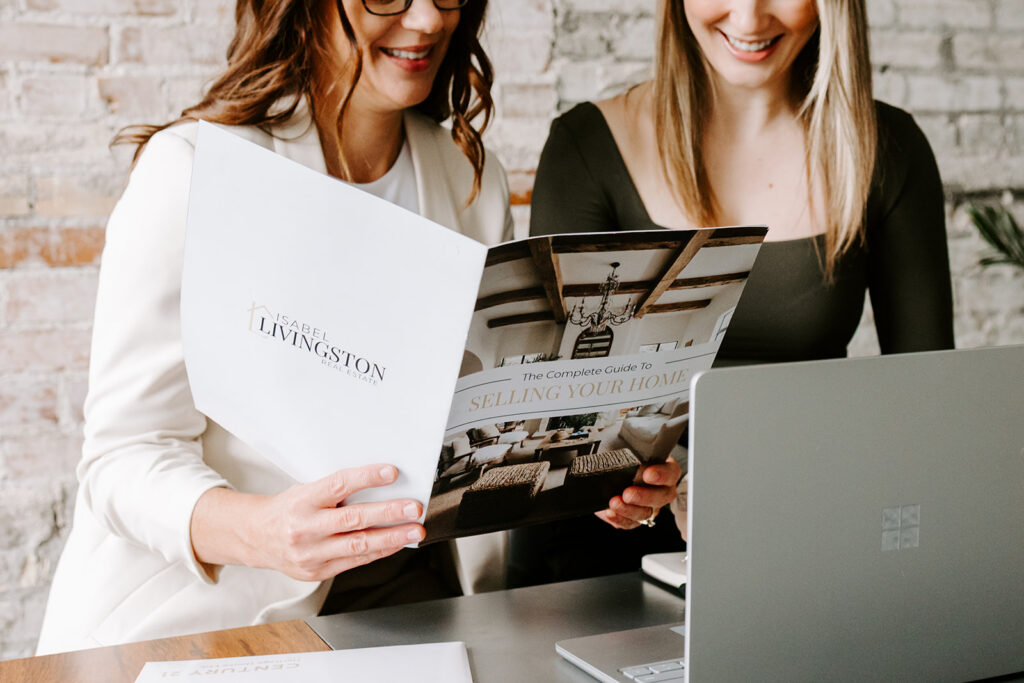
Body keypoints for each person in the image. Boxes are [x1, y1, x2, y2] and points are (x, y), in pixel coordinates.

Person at [36, 0, 515, 654]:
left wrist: (592, 465)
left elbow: (483, 423)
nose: (429, 19)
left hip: (423, 602)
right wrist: (263, 530)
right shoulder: (190, 170)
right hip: (217, 620)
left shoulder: (471, 183)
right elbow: (121, 457)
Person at [510, 0, 954, 587]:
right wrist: (617, 477)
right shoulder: (587, 146)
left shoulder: (885, 147)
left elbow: (926, 408)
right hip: (595, 568)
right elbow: (551, 414)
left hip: (802, 545)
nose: (748, 19)